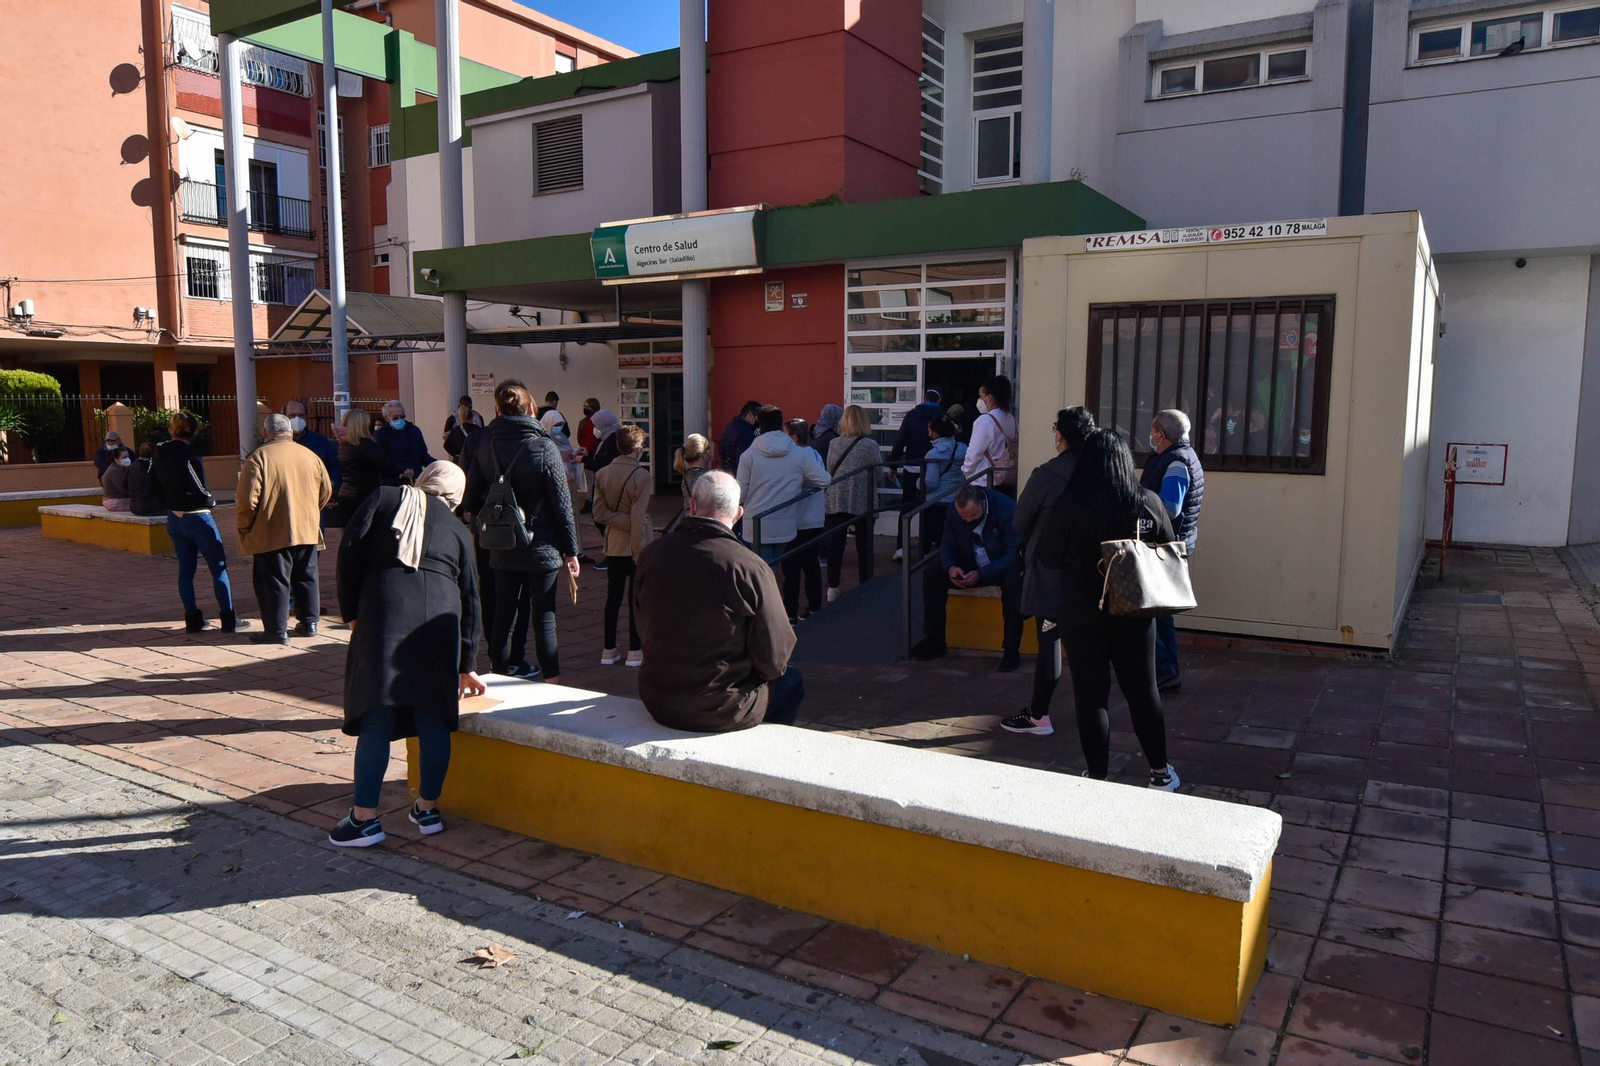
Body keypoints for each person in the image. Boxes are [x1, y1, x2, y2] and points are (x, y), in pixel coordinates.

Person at [330, 461, 485, 846]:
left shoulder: (386, 498)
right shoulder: (458, 529)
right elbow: (471, 598)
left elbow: (348, 552)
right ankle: (428, 809)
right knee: (433, 718)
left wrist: (351, 612)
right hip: (439, 623)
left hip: (385, 614)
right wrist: (467, 664)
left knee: (377, 718)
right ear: (456, 493)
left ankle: (364, 819)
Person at [1043, 429, 1179, 790]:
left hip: (1080, 608)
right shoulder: (1145, 501)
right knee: (1143, 690)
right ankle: (1160, 772)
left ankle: (1098, 778)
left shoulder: (1068, 504)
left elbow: (1047, 554)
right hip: (1133, 607)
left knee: (1091, 696)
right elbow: (1167, 545)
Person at [634, 471, 804, 731]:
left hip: (658, 698)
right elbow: (775, 659)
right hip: (722, 707)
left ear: (692, 506)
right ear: (738, 514)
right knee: (791, 682)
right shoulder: (749, 567)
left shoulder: (651, 555)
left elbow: (640, 623)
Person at [463, 381, 581, 681]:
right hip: (542, 544)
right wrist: (571, 550)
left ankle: (500, 676)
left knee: (504, 614)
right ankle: (552, 682)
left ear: (498, 409)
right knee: (545, 618)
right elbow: (561, 504)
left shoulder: (485, 445)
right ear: (532, 409)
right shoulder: (543, 447)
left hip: (501, 542)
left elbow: (471, 497)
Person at [1000, 407, 1095, 737]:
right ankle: (1094, 715)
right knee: (1091, 648)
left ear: (1062, 435)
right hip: (1095, 573)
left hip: (1053, 573)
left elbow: (1020, 520)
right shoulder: (1103, 471)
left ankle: (1040, 715)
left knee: (1050, 642)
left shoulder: (1049, 474)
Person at [238, 414, 334, 646]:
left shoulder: (259, 458)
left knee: (274, 580)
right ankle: (309, 623)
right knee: (307, 577)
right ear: (290, 432)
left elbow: (248, 500)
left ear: (265, 432)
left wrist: (245, 525)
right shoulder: (310, 456)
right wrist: (310, 512)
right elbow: (326, 491)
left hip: (271, 530)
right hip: (307, 528)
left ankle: (276, 630)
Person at [151, 412, 248, 634]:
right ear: (194, 432)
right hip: (198, 515)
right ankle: (229, 619)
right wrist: (210, 500)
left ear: (171, 430)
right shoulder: (190, 454)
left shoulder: (160, 452)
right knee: (219, 568)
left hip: (174, 517)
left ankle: (192, 619)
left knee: (186, 570)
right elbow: (199, 484)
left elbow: (153, 485)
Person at [911, 483, 1023, 672]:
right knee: (932, 575)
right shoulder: (954, 512)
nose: (968, 520)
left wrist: (982, 574)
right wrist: (951, 568)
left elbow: (1014, 554)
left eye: (972, 516)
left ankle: (1011, 650)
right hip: (969, 562)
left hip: (998, 565)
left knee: (1014, 582)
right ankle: (935, 640)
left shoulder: (1006, 509)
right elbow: (947, 544)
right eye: (963, 517)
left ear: (983, 505)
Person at [1142, 409, 1204, 693]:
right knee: (1161, 613)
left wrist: (1139, 504)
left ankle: (1165, 671)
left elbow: (1169, 508)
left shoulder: (1176, 462)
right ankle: (1167, 672)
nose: (1150, 435)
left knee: (1151, 614)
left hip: (1163, 547)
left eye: (1152, 430)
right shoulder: (1182, 456)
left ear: (1161, 434)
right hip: (1170, 544)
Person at [736, 405, 830, 566]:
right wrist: (797, 478)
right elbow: (825, 480)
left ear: (760, 426)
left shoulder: (748, 455)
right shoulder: (799, 454)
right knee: (774, 570)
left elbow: (741, 495)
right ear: (781, 423)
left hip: (757, 524)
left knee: (762, 573)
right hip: (785, 526)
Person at [592, 424, 653, 666]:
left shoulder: (603, 473)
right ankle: (635, 651)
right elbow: (638, 519)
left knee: (613, 599)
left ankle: (609, 648)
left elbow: (598, 512)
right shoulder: (642, 476)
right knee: (635, 600)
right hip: (635, 546)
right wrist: (639, 551)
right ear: (638, 448)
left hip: (613, 543)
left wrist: (622, 521)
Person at [823, 404, 882, 602]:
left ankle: (833, 588)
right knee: (864, 546)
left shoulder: (834, 444)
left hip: (836, 497)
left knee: (835, 545)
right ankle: (866, 585)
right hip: (863, 499)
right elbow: (879, 474)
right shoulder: (871, 445)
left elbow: (829, 469)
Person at [889, 389, 942, 561]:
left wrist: (893, 465)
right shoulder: (943, 416)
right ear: (939, 400)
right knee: (928, 509)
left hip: (911, 468)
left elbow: (900, 441)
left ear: (924, 398)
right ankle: (925, 550)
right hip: (934, 470)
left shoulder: (911, 416)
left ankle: (901, 548)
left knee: (906, 508)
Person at [781, 419, 826, 622]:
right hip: (814, 520)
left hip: (796, 520)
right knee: (811, 566)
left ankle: (790, 612)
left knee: (791, 570)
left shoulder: (795, 456)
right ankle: (814, 607)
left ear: (794, 437)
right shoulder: (815, 454)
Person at [324, 408, 393, 528]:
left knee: (349, 533)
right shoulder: (367, 446)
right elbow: (387, 467)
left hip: (345, 494)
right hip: (364, 496)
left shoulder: (343, 446)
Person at [581, 409, 622, 571]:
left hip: (610, 486)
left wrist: (583, 460)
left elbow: (603, 464)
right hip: (606, 485)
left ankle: (613, 554)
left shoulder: (613, 440)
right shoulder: (609, 438)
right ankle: (612, 551)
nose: (595, 429)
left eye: (597, 425)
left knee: (602, 518)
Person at [963, 376, 1018, 498]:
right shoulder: (1010, 418)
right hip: (1007, 479)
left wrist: (966, 471)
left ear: (990, 397)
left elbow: (974, 453)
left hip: (984, 480)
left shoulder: (984, 421)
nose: (979, 400)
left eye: (981, 396)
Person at [920, 415, 968, 553]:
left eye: (929, 430)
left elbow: (931, 482)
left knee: (935, 533)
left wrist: (918, 483)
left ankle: (930, 559)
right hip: (957, 498)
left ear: (934, 433)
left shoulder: (933, 454)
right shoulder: (963, 449)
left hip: (936, 501)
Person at [284, 399, 341, 491]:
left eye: (301, 415)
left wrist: (331, 483)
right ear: (284, 418)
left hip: (315, 493)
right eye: (292, 415)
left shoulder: (320, 441)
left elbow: (335, 465)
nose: (297, 419)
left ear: (306, 417)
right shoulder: (276, 443)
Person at [373, 400, 434, 484]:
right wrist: (402, 469)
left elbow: (423, 456)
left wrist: (438, 465)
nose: (399, 420)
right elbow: (383, 460)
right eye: (395, 418)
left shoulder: (414, 431)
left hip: (415, 479)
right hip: (393, 482)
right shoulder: (380, 435)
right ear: (387, 418)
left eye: (402, 417)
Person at [719, 400, 761, 473]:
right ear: (750, 415)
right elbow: (744, 460)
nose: (759, 421)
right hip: (738, 474)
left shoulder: (730, 426)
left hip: (727, 470)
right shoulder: (746, 432)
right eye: (758, 417)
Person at [576, 397, 601, 513]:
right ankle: (590, 502)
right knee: (591, 480)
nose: (585, 409)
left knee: (594, 481)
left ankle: (591, 502)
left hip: (595, 454)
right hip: (588, 454)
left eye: (587, 407)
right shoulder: (584, 422)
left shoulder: (594, 422)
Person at [674, 433, 712, 506]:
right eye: (708, 449)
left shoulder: (687, 474)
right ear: (702, 453)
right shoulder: (704, 477)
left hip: (689, 515)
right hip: (701, 515)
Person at [442, 396, 483, 464]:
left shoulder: (454, 427)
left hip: (459, 459)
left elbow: (446, 444)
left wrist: (456, 453)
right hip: (474, 459)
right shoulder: (477, 423)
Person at [128, 443, 163, 517]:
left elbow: (124, 485)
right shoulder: (154, 467)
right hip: (150, 506)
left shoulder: (132, 467)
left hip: (133, 505)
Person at [100, 446, 133, 511]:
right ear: (116, 459)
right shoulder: (114, 471)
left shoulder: (122, 468)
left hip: (120, 499)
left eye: (128, 457)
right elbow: (124, 488)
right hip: (115, 501)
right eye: (124, 457)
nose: (127, 459)